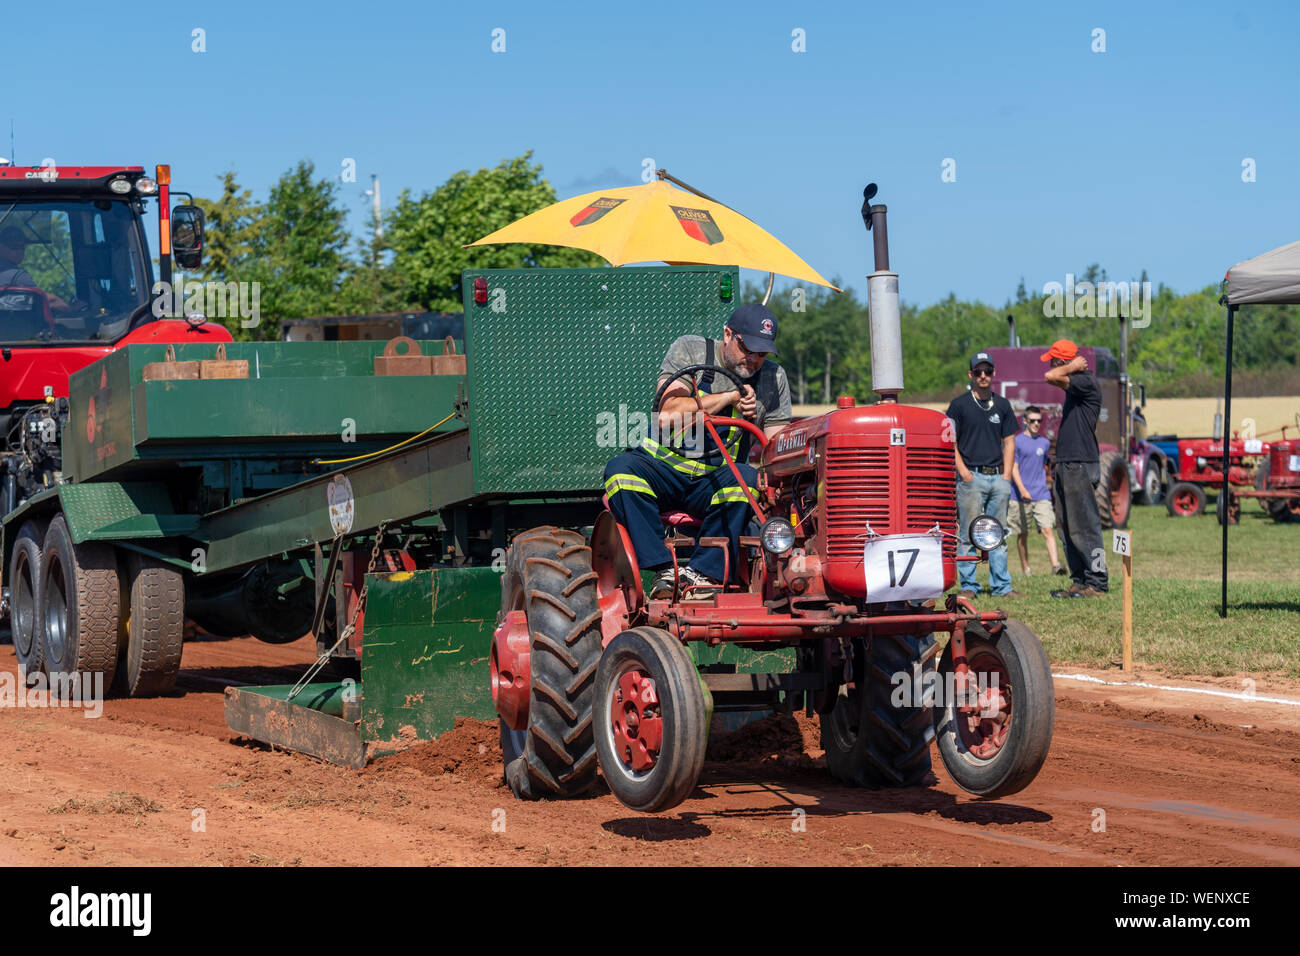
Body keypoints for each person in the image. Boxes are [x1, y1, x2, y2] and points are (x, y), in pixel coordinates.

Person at [603, 303, 792, 597]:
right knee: (620, 471)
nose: (753, 359)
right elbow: (668, 415)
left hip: (713, 480)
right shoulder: (689, 350)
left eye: (762, 353)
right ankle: (664, 570)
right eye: (747, 348)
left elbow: (778, 447)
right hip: (662, 471)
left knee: (746, 479)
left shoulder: (773, 378)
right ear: (728, 335)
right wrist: (730, 397)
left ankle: (701, 576)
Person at [945, 351, 1022, 600]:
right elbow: (950, 442)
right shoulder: (959, 405)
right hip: (971, 479)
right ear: (971, 374)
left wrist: (1007, 476)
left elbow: (1009, 442)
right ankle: (969, 586)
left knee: (998, 534)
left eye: (987, 371)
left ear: (993, 374)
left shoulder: (1002, 405)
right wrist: (965, 473)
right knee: (969, 533)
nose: (983, 376)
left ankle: (1002, 586)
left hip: (997, 478)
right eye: (978, 371)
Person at [1043, 339, 1108, 598]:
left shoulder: (1086, 381)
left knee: (1086, 526)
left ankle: (1098, 582)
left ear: (1062, 361)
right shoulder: (1076, 383)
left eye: (1053, 359)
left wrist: (1070, 367)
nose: (1049, 363)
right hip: (1068, 463)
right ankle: (1080, 581)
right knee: (1068, 527)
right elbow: (1052, 374)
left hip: (1080, 462)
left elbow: (1050, 376)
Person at [1008, 405, 1064, 576]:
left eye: (1039, 421)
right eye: (1032, 421)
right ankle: (1026, 568)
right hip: (1019, 495)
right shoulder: (1016, 441)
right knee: (1022, 534)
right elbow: (1013, 468)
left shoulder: (1045, 442)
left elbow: (1044, 465)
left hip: (1041, 494)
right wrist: (1022, 490)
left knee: (1047, 529)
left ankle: (1056, 566)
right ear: (1024, 421)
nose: (1036, 424)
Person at [0, 226, 74, 311]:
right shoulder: (18, 276)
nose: (20, 251)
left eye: (22, 247)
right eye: (14, 247)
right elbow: (49, 301)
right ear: (0, 247)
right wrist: (71, 308)